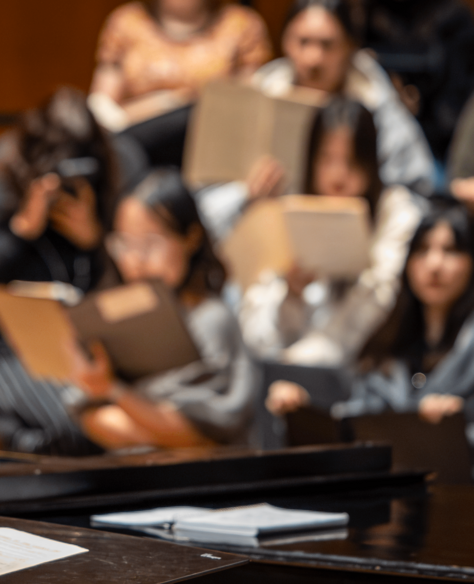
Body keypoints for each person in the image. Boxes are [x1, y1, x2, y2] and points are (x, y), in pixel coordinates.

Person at [0, 88, 120, 455]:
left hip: (81, 355)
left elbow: (120, 297)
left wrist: (93, 242)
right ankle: (30, 446)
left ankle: (30, 445)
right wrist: (20, 230)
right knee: (87, 424)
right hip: (0, 356)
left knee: (127, 415)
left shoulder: (93, 198)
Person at [194, 0, 434, 242]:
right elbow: (209, 197)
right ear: (285, 43)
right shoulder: (259, 94)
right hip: (270, 241)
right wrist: (248, 197)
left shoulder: (376, 101)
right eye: (303, 42)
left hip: (364, 242)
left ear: (350, 47)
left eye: (327, 45)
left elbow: (416, 190)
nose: (313, 58)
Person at [66, 169, 258, 450]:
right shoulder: (114, 318)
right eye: (124, 245)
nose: (136, 261)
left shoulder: (211, 319)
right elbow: (92, 418)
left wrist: (115, 392)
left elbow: (199, 433)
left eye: (150, 243)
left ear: (190, 238)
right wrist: (155, 424)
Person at [267, 201, 474, 449]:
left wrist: (458, 423)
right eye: (422, 250)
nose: (434, 264)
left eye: (450, 250)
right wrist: (303, 409)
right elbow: (357, 428)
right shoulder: (388, 339)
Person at [240, 98, 423, 366]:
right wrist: (292, 294)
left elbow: (374, 301)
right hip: (284, 360)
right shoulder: (290, 208)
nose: (337, 176)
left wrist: (300, 362)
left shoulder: (395, 211)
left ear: (370, 162)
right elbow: (257, 331)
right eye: (326, 159)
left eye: (351, 161)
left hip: (354, 365)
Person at [89, 0, 271, 132]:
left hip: (212, 142)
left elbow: (251, 105)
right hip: (138, 140)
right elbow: (103, 111)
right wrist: (167, 104)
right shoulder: (126, 21)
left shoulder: (240, 23)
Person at [364, 0, 474, 167]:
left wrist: (411, 112)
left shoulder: (453, 18)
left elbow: (453, 111)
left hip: (437, 147)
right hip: (378, 137)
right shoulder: (370, 16)